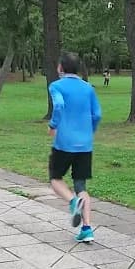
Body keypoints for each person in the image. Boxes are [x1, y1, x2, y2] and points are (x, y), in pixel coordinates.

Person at [48, 52, 102, 242]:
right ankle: (87, 229)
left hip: (64, 142)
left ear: (61, 68)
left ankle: (73, 202)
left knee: (55, 178)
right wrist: (90, 131)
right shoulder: (88, 88)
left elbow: (60, 105)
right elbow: (97, 114)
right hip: (84, 144)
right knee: (81, 185)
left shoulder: (56, 86)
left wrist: (53, 125)